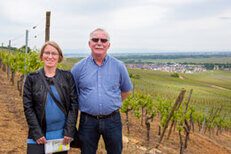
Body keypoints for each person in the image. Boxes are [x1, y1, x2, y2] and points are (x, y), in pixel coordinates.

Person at [71, 28, 133, 154]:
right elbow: (74, 94)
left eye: (103, 40)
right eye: (95, 39)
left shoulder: (119, 66)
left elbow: (126, 91)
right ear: (89, 43)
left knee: (115, 151)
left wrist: (111, 103)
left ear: (108, 45)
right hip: (87, 121)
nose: (99, 42)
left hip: (112, 120)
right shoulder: (78, 68)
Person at [23, 41, 78, 154]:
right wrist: (37, 133)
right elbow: (28, 108)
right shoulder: (32, 78)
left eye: (54, 53)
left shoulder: (67, 77)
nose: (50, 56)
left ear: (59, 57)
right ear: (42, 55)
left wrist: (69, 131)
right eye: (47, 53)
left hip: (61, 136)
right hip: (38, 136)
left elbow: (74, 105)